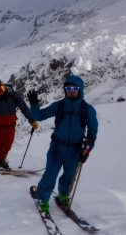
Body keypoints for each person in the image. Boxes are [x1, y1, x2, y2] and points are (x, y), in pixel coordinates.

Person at [27, 75, 98, 213]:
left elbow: (92, 133)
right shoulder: (59, 105)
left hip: (75, 150)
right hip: (56, 148)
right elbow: (39, 116)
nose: (71, 91)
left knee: (69, 177)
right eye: (68, 88)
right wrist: (34, 105)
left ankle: (63, 196)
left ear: (80, 89)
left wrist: (87, 149)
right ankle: (43, 199)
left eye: (75, 88)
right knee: (50, 175)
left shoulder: (87, 109)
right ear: (65, 90)